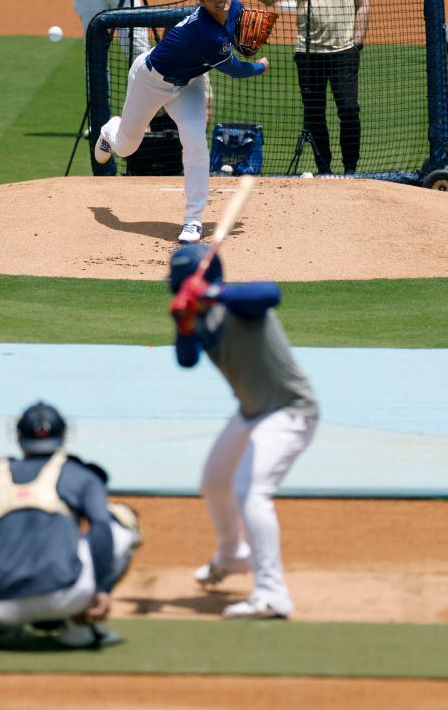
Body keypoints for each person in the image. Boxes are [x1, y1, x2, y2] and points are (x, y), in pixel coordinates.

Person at [168, 245, 319, 619]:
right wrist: (184, 324)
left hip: (290, 411)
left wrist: (209, 293)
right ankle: (232, 555)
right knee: (215, 482)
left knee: (251, 492)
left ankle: (272, 594)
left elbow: (271, 293)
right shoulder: (201, 316)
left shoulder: (239, 304)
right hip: (252, 412)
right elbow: (186, 360)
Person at [0, 401, 142, 652]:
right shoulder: (81, 475)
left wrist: (1, 581)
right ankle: (80, 628)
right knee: (122, 521)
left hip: (4, 601)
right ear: (63, 436)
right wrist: (102, 589)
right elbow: (102, 529)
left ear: (18, 438)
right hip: (68, 596)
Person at [94, 0, 269, 244]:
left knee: (195, 142)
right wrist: (259, 66)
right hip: (149, 81)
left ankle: (193, 221)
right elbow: (235, 69)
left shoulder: (234, 7)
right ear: (201, 1)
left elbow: (233, 36)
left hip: (189, 83)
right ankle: (110, 130)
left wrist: (242, 43)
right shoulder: (205, 34)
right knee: (127, 148)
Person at [245, 0, 371, 175]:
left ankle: (351, 169)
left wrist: (357, 44)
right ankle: (323, 168)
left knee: (348, 110)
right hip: (308, 51)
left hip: (344, 51)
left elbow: (363, 4)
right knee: (315, 115)